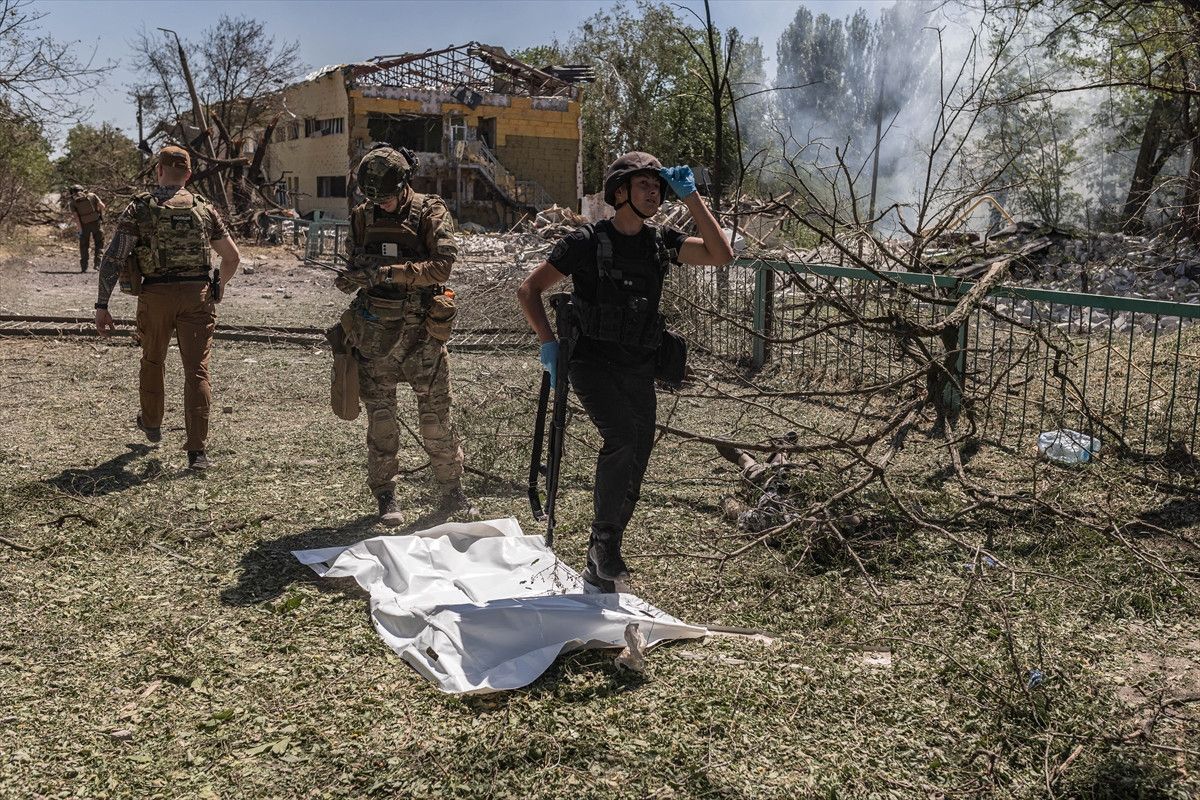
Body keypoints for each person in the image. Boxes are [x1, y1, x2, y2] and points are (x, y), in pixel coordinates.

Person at [517, 151, 734, 590]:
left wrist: (692, 197)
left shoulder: (661, 242)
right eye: (643, 185)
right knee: (621, 438)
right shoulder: (586, 241)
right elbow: (529, 289)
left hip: (639, 364)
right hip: (591, 363)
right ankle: (605, 543)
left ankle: (600, 556)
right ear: (620, 193)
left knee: (638, 456)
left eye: (658, 186)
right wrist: (548, 343)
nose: (653, 192)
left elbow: (721, 255)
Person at [334, 144, 470, 526]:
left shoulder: (430, 211)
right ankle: (386, 495)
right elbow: (353, 264)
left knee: (436, 419)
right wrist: (351, 279)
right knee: (381, 420)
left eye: (388, 198)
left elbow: (441, 268)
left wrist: (389, 273)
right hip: (375, 336)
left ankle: (452, 491)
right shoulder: (362, 216)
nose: (382, 205)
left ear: (404, 185)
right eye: (375, 199)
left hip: (422, 336)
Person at [93, 145, 241, 471]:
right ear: (188, 174)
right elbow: (232, 257)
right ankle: (197, 452)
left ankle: (152, 422)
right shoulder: (205, 209)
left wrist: (102, 304)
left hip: (156, 295)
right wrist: (218, 286)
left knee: (153, 360)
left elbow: (114, 258)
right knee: (197, 371)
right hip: (197, 296)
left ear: (159, 170)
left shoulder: (140, 208)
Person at [69, 184, 106, 272]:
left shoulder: (73, 202)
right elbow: (102, 206)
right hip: (96, 223)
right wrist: (98, 213)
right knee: (99, 243)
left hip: (84, 225)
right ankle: (97, 265)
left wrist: (80, 230)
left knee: (84, 246)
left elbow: (76, 217)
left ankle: (84, 267)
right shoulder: (92, 195)